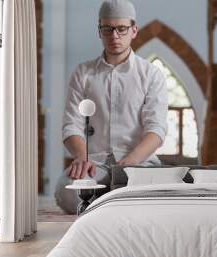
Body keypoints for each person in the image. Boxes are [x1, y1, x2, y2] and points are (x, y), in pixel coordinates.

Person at [54, 0, 168, 214]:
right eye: (107, 29)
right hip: (94, 165)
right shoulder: (83, 73)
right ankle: (115, 200)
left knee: (144, 191)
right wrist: (82, 156)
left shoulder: (151, 75)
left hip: (139, 165)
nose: (114, 36)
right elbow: (71, 126)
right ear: (99, 31)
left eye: (121, 29)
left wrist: (129, 163)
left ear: (134, 30)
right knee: (67, 193)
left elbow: (157, 129)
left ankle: (103, 202)